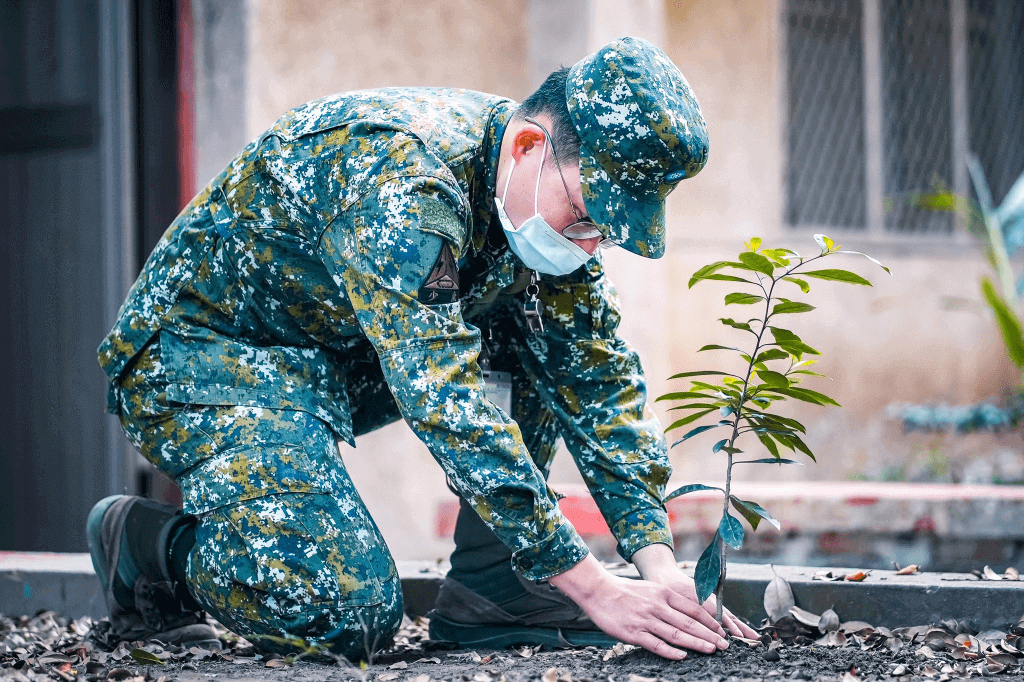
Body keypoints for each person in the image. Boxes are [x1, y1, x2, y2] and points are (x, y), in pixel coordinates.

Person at [88, 36, 758, 663]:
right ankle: (150, 549)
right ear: (529, 145)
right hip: (203, 356)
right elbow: (446, 397)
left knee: (548, 331)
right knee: (345, 611)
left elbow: (598, 380)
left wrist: (656, 563)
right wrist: (591, 584)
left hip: (334, 357)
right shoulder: (403, 176)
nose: (588, 245)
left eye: (606, 233)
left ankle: (498, 586)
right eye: (585, 216)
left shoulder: (531, 200)